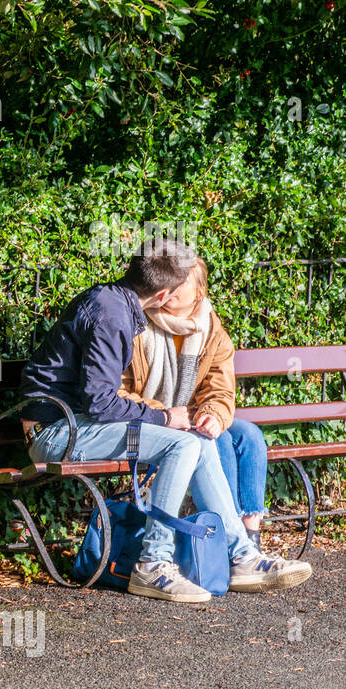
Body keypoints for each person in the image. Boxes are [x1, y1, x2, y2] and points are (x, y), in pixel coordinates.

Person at [20, 237, 310, 603]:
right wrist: (163, 416)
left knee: (194, 439)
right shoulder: (112, 316)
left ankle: (240, 557)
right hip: (58, 432)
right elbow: (100, 401)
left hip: (80, 425)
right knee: (181, 440)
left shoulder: (116, 304)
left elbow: (100, 401)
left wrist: (180, 418)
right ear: (161, 296)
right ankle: (153, 563)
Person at [117, 257, 269, 549]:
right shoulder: (137, 325)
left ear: (198, 293)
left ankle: (250, 535)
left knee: (248, 435)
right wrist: (166, 414)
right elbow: (119, 391)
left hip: (193, 416)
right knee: (213, 441)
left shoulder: (212, 332)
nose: (170, 289)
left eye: (180, 284)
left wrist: (213, 414)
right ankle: (227, 536)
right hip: (155, 420)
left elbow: (220, 390)